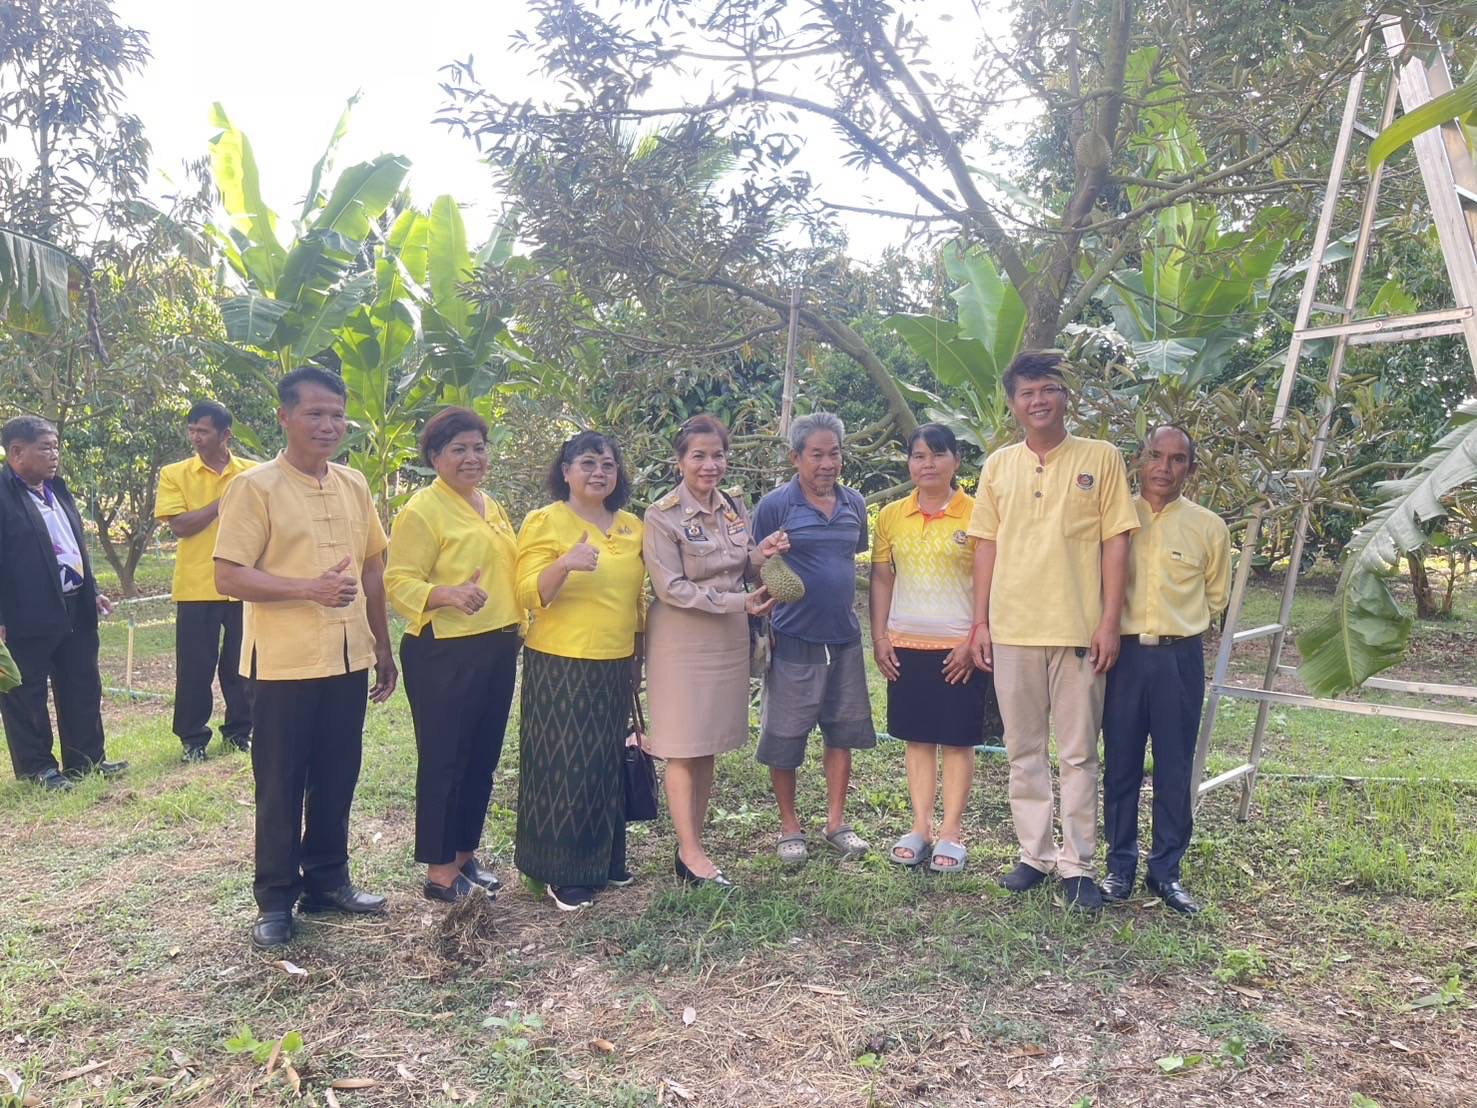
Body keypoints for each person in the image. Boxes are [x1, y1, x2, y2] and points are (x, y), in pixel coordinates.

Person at [213, 367, 398, 949]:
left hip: (347, 659)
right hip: (282, 665)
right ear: (285, 417)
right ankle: (274, 899)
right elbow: (227, 575)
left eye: (337, 415)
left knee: (338, 776)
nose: (328, 425)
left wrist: (382, 644)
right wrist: (307, 589)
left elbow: (372, 567)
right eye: (315, 413)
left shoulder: (354, 484)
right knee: (280, 784)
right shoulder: (255, 487)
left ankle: (327, 881)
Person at [967, 350, 1138, 910]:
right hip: (1012, 627)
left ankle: (1077, 865)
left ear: (1066, 396)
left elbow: (1116, 542)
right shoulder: (999, 466)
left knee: (1079, 753)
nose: (1038, 400)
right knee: (1023, 750)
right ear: (1013, 404)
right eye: (1027, 392)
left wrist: (1109, 621)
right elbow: (985, 546)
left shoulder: (1101, 457)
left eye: (1048, 389)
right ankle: (1034, 855)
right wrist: (980, 622)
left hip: (1078, 630)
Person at [643, 414, 786, 887]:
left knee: (705, 746)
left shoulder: (732, 506)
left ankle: (693, 845)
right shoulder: (662, 515)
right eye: (699, 456)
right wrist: (737, 603)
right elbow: (670, 588)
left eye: (718, 455)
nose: (710, 465)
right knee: (682, 747)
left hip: (728, 637)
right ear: (679, 461)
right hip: (682, 641)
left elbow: (743, 566)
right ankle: (690, 852)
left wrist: (763, 552)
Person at [385, 407, 521, 903]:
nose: (472, 458)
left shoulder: (490, 504)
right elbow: (397, 580)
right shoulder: (422, 510)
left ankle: (465, 856)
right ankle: (440, 873)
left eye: (479, 448)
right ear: (435, 457)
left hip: (497, 644)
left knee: (481, 758)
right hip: (444, 651)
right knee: (445, 759)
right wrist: (446, 594)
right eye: (458, 449)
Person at [514, 431, 646, 912]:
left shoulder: (632, 526)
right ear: (565, 471)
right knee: (562, 765)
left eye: (608, 464)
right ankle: (560, 871)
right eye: (588, 463)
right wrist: (565, 564)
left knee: (604, 763)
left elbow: (638, 598)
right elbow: (527, 591)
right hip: (561, 660)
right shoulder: (545, 521)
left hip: (616, 659)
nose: (599, 472)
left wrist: (637, 654)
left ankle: (603, 860)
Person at [1101, 425, 1230, 915]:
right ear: (1139, 459)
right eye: (1155, 455)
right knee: (1121, 763)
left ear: (1190, 470)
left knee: (1175, 766)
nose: (1163, 468)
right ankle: (1119, 867)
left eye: (1177, 460)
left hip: (1179, 658)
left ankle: (1165, 872)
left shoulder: (1208, 527)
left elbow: (1215, 595)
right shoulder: (1116, 518)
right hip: (1123, 656)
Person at [870, 423, 1002, 874]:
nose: (927, 464)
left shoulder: (978, 513)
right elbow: (882, 578)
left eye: (937, 454)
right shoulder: (891, 515)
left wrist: (974, 636)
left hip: (960, 648)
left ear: (956, 461)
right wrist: (881, 637)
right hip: (906, 645)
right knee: (918, 738)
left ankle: (951, 833)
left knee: (958, 740)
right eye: (918, 455)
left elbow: (989, 579)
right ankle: (920, 828)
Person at [751, 412, 876, 865]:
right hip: (793, 636)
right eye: (817, 454)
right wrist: (768, 559)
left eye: (834, 453)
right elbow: (754, 566)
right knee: (785, 736)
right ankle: (790, 827)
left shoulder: (854, 503)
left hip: (844, 637)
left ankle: (836, 823)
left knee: (841, 732)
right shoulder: (775, 506)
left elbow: (848, 558)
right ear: (795, 457)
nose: (827, 463)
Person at [0, 416, 125, 789]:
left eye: (56, 447)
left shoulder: (57, 489)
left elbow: (74, 546)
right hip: (24, 612)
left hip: (75, 606)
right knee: (27, 693)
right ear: (16, 452)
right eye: (45, 448)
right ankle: (38, 769)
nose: (54, 455)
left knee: (81, 683)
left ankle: (86, 760)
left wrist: (93, 589)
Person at [155, 400, 256, 762]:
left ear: (225, 434)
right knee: (195, 668)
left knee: (243, 664)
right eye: (192, 430)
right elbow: (181, 526)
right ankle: (192, 739)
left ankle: (240, 731)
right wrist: (223, 501)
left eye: (203, 431)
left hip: (245, 583)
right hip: (197, 585)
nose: (195, 437)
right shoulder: (175, 474)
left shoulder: (253, 473)